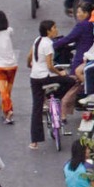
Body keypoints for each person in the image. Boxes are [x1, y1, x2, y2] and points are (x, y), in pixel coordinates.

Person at [27, 20, 76, 150]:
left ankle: (34, 142)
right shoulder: (48, 44)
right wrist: (60, 73)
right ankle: (53, 97)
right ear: (48, 31)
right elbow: (49, 66)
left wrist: (31, 66)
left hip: (34, 78)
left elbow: (29, 57)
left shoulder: (37, 40)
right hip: (45, 77)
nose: (56, 30)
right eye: (54, 28)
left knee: (36, 108)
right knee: (71, 81)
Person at [53, 3, 94, 120]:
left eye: (79, 12)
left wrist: (52, 45)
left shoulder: (82, 25)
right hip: (91, 56)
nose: (77, 15)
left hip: (81, 58)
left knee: (73, 84)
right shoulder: (93, 24)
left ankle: (63, 111)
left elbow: (69, 39)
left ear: (86, 14)